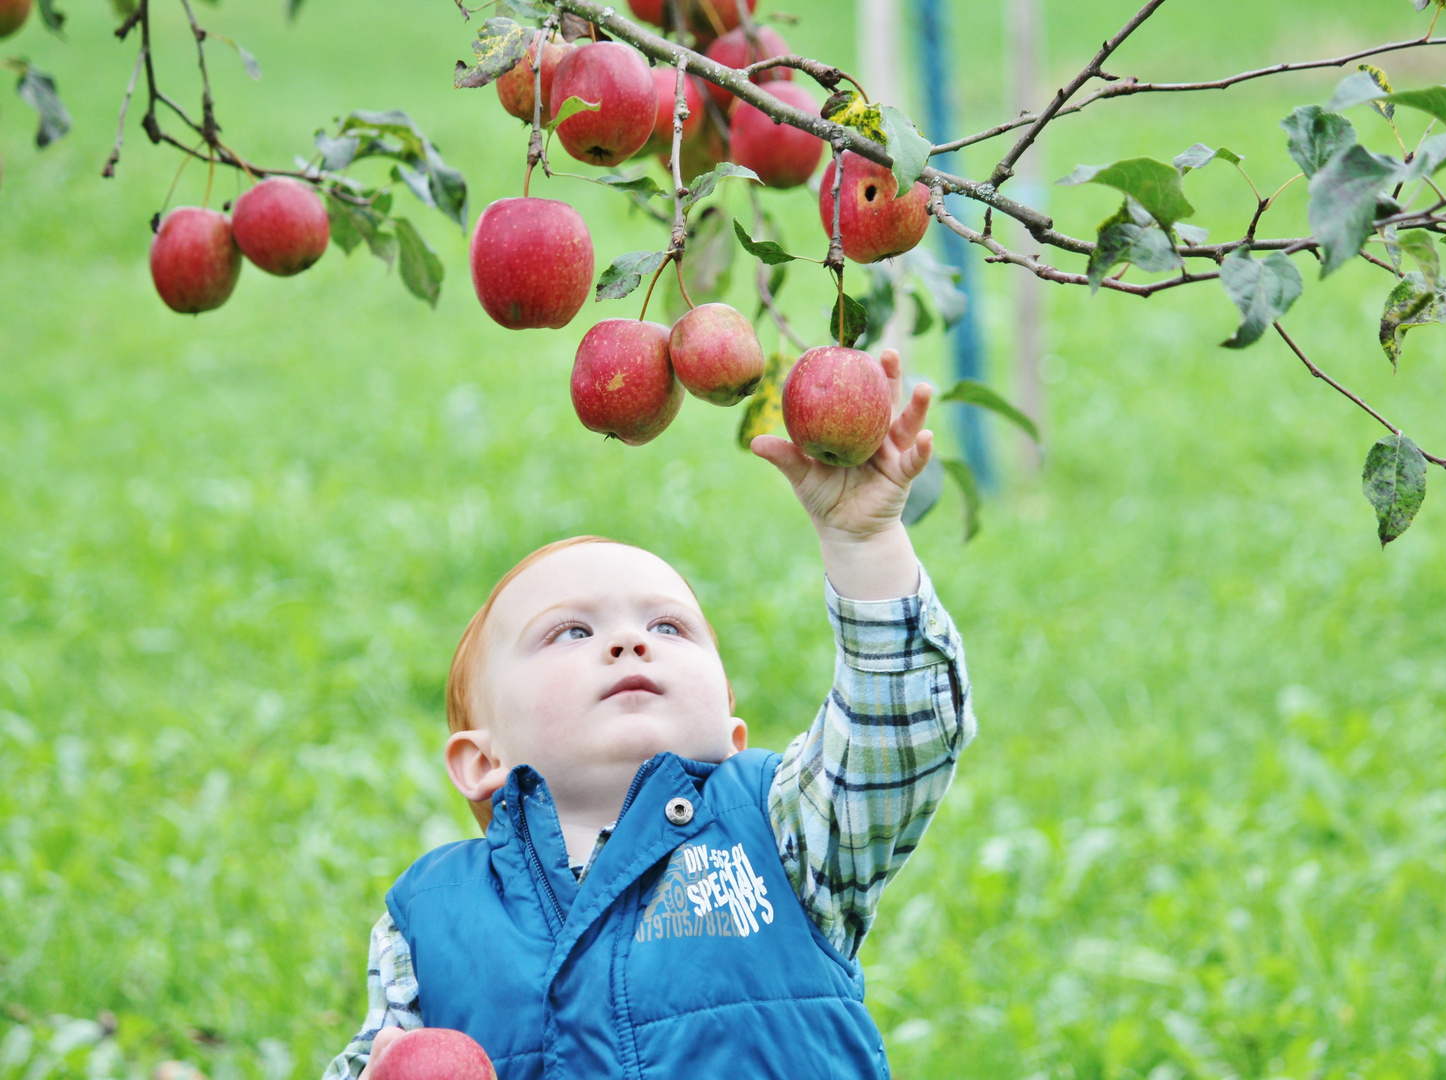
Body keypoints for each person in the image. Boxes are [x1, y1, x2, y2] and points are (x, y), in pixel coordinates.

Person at [320, 349, 974, 1080]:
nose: (630, 641)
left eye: (669, 628)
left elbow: (900, 733)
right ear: (482, 760)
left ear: (732, 731)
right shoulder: (432, 921)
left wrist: (865, 543)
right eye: (570, 631)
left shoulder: (782, 833)